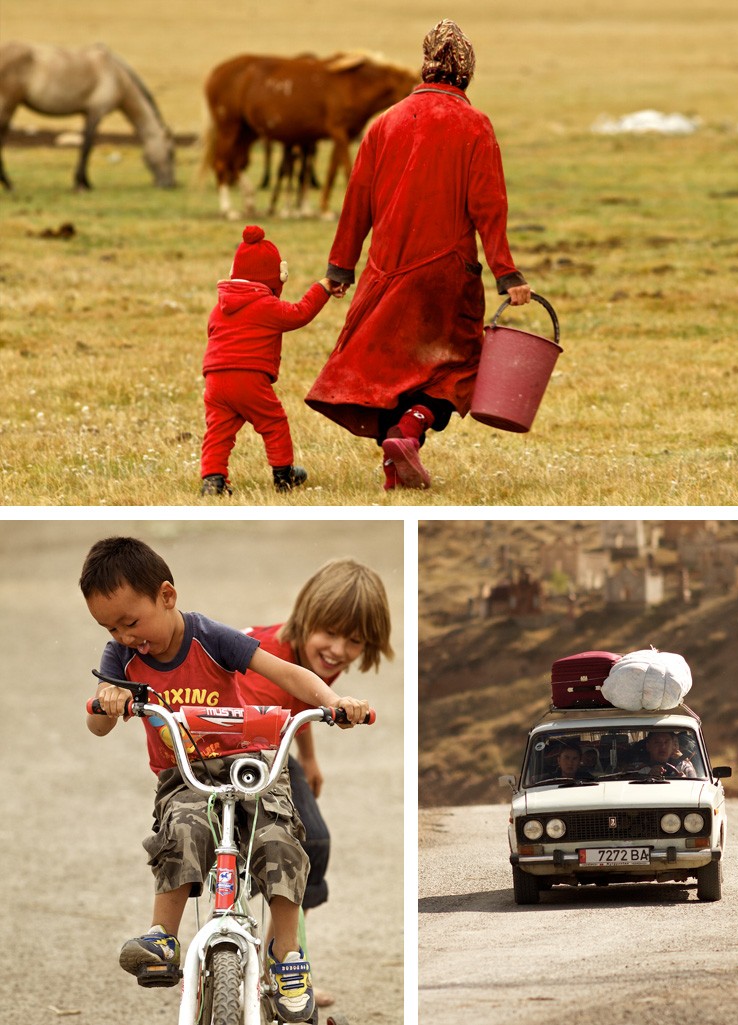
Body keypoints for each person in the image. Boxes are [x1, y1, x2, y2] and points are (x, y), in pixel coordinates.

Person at [81, 536, 370, 1024]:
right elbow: (96, 722)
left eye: (131, 621)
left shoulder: (210, 637)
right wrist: (108, 702)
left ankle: (288, 958)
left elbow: (285, 673)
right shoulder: (121, 660)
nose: (125, 635)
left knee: (280, 836)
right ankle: (162, 938)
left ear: (167, 596)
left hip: (248, 761)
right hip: (186, 774)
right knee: (180, 830)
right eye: (111, 627)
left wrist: (334, 702)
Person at [305, 19, 533, 492]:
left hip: (383, 271)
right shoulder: (474, 125)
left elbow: (357, 200)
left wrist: (340, 266)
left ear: (425, 63)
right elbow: (488, 207)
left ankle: (396, 463)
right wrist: (507, 275)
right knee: (461, 364)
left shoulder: (384, 122)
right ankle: (409, 432)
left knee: (388, 368)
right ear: (466, 72)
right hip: (446, 273)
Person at [234, 558, 394, 1007]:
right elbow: (268, 708)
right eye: (330, 632)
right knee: (281, 838)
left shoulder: (319, 658)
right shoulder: (268, 662)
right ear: (305, 619)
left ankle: (279, 959)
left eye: (355, 640)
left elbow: (297, 707)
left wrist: (310, 759)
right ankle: (261, 955)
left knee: (314, 842)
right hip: (231, 751)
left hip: (275, 746)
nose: (339, 650)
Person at [201, 225, 335, 496]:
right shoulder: (266, 306)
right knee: (273, 423)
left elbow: (212, 335)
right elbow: (300, 313)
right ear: (274, 278)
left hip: (215, 379)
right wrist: (323, 288)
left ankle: (213, 481)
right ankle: (283, 475)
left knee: (218, 431)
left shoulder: (219, 308)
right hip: (249, 377)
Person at [630, 730, 696, 778]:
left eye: (666, 742)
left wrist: (685, 782)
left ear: (673, 745)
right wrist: (647, 778)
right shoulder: (637, 769)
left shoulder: (684, 767)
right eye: (657, 742)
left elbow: (695, 788)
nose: (662, 746)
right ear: (648, 746)